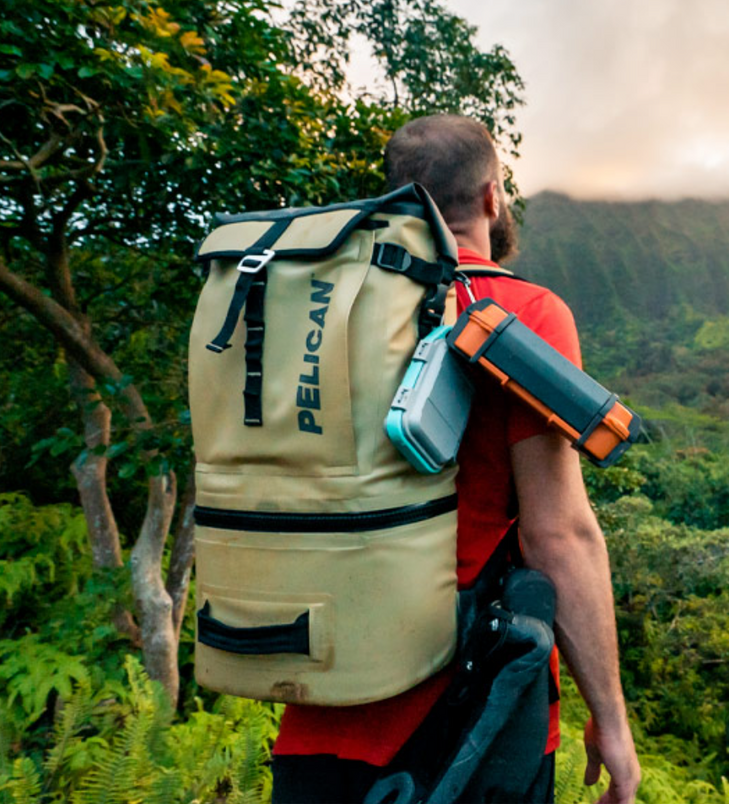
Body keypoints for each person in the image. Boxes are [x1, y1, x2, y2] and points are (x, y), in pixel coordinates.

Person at [269, 114, 642, 804]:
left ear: (400, 198)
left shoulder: (319, 310)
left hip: (320, 699)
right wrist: (611, 722)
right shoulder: (519, 311)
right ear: (492, 197)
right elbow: (555, 533)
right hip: (472, 719)